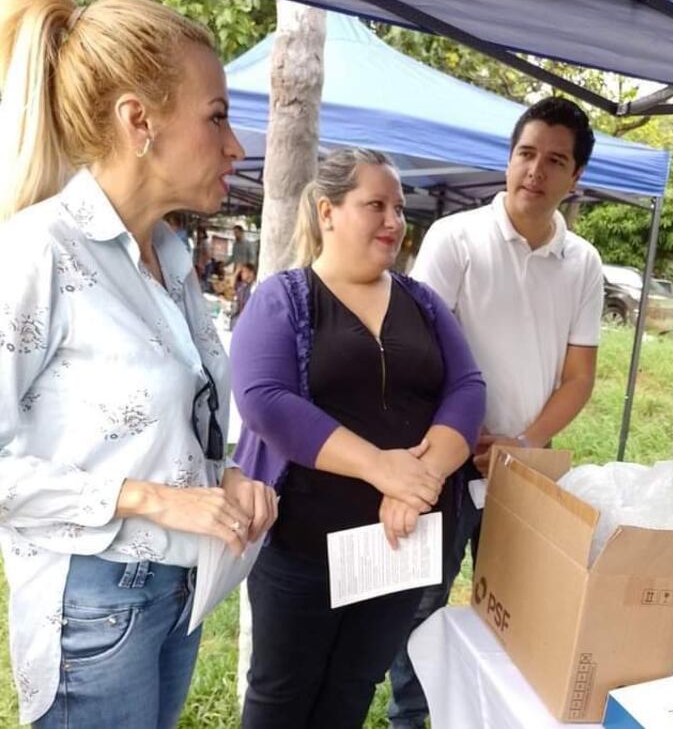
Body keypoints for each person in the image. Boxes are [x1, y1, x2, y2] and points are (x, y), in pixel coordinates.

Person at [0, 0, 277, 729]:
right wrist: (150, 497)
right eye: (217, 118)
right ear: (138, 120)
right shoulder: (37, 252)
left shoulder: (170, 260)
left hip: (176, 594)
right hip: (96, 607)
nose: (236, 144)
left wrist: (228, 480)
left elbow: (163, 428)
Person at [230, 147, 486, 729]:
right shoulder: (285, 298)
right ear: (328, 211)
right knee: (281, 695)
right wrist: (380, 468)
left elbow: (467, 388)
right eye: (376, 205)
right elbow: (266, 402)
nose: (394, 221)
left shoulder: (421, 301)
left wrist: (418, 482)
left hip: (396, 544)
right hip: (302, 545)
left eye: (399, 208)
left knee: (353, 688)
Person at [387, 96, 604, 729]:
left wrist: (525, 442)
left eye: (554, 161)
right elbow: (417, 349)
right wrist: (463, 432)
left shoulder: (583, 263)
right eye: (525, 154)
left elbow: (579, 376)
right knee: (421, 602)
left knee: (517, 609)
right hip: (445, 460)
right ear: (509, 160)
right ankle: (411, 718)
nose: (535, 171)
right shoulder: (457, 238)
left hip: (524, 472)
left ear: (575, 178)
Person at [231, 261, 256, 328]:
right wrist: (236, 272)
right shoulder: (242, 285)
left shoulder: (254, 287)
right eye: (241, 272)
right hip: (239, 316)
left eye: (244, 272)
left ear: (250, 273)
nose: (241, 274)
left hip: (247, 319)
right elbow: (232, 285)